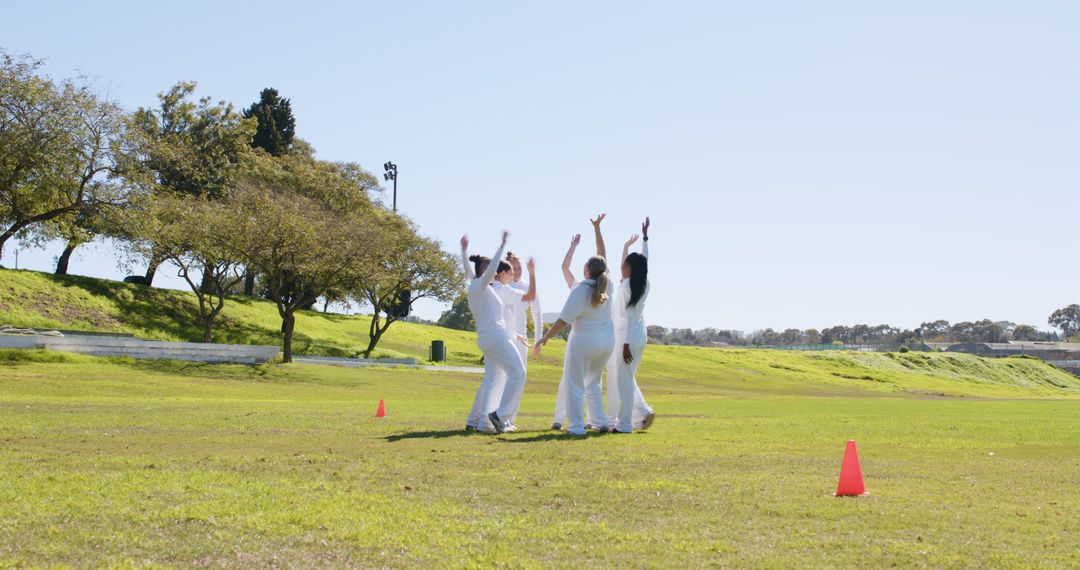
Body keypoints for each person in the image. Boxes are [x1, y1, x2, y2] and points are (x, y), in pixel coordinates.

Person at [533, 214, 615, 436]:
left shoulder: (581, 290)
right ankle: (600, 422)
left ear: (587, 270)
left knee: (574, 385)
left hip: (584, 341)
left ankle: (577, 427)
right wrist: (597, 229)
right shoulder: (608, 285)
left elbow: (562, 320)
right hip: (606, 342)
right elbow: (603, 256)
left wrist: (545, 337)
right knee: (593, 384)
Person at [461, 231, 527, 433]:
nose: (496, 272)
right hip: (495, 336)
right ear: (486, 270)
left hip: (487, 337)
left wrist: (463, 251)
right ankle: (499, 417)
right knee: (518, 373)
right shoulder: (481, 285)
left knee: (492, 380)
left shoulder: (477, 286)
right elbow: (484, 272)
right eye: (492, 268)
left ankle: (478, 421)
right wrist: (502, 244)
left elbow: (468, 270)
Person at [606, 217, 656, 433]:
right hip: (639, 337)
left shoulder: (626, 287)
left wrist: (625, 345)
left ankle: (627, 423)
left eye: (625, 264)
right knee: (627, 379)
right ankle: (639, 416)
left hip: (626, 338)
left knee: (623, 383)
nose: (622, 266)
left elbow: (626, 318)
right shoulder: (643, 283)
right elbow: (644, 261)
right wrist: (644, 239)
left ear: (630, 269)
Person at [550, 233, 599, 431]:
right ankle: (559, 419)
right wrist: (573, 246)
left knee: (591, 379)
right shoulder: (577, 287)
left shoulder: (599, 290)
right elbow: (564, 268)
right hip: (577, 339)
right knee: (568, 379)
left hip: (590, 339)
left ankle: (590, 419)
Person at [491, 251, 541, 430]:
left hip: (519, 337)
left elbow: (537, 313)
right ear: (505, 270)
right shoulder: (501, 288)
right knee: (504, 378)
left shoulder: (520, 287)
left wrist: (538, 339)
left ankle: (508, 418)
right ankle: (497, 416)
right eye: (514, 268)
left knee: (518, 377)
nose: (517, 272)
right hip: (505, 336)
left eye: (520, 268)